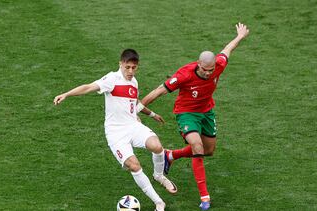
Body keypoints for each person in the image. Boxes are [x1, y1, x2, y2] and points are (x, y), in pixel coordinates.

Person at [140, 23, 250, 210]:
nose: (209, 73)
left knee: (208, 150)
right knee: (197, 146)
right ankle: (205, 197)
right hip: (186, 113)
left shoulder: (218, 65)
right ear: (199, 65)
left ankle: (170, 155)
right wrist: (139, 107)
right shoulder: (184, 75)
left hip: (206, 112)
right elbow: (160, 90)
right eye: (205, 70)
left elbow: (227, 50)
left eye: (211, 70)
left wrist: (239, 36)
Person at [53, 49, 177, 211]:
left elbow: (133, 101)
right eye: (128, 67)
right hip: (116, 133)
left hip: (133, 126)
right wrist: (66, 94)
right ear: (121, 64)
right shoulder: (112, 79)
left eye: (134, 67)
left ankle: (158, 176)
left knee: (157, 146)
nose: (131, 71)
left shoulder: (134, 82)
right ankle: (159, 202)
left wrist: (152, 114)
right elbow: (88, 87)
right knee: (134, 165)